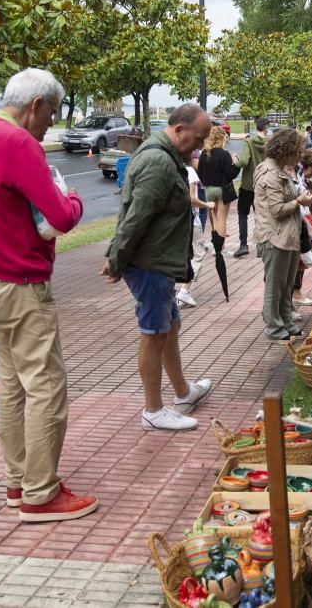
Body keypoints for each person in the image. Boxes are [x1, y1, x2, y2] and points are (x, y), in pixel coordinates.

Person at [0, 67, 95, 522]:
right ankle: (40, 492)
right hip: (19, 282)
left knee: (12, 385)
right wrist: (73, 198)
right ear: (35, 105)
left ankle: (19, 481)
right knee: (47, 386)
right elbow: (61, 216)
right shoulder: (18, 143)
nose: (49, 124)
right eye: (50, 114)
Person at [103, 103, 215, 433]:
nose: (200, 146)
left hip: (158, 262)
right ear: (179, 129)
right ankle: (153, 410)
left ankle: (183, 392)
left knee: (169, 328)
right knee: (154, 335)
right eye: (198, 138)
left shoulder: (165, 156)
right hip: (149, 264)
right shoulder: (157, 161)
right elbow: (136, 217)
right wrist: (115, 261)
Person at [254, 129, 312, 340]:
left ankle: (286, 322)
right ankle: (274, 327)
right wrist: (299, 201)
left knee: (287, 284)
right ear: (286, 151)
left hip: (286, 236)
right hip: (275, 237)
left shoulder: (279, 170)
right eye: (298, 150)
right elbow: (276, 210)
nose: (300, 154)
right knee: (275, 286)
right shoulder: (270, 173)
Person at [176, 157, 216, 308]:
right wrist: (207, 205)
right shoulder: (189, 171)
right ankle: (184, 291)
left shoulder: (169, 170)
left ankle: (171, 290)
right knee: (198, 253)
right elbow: (192, 199)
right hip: (191, 220)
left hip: (174, 221)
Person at [196, 126, 239, 259]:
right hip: (222, 189)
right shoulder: (224, 154)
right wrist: (236, 164)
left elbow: (200, 173)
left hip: (209, 189)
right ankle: (219, 248)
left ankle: (215, 245)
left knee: (214, 219)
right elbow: (230, 174)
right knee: (221, 218)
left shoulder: (204, 153)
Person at [233, 117, 268, 258]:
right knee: (261, 215)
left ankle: (243, 245)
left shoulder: (248, 142)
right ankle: (261, 247)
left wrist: (235, 159)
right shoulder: (269, 143)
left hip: (248, 184)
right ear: (266, 128)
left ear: (256, 127)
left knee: (243, 214)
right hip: (264, 183)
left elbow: (243, 161)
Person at [293, 149, 312, 309]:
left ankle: (296, 292)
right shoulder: (295, 175)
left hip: (306, 221)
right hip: (299, 222)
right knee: (298, 262)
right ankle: (295, 293)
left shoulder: (302, 176)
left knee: (302, 260)